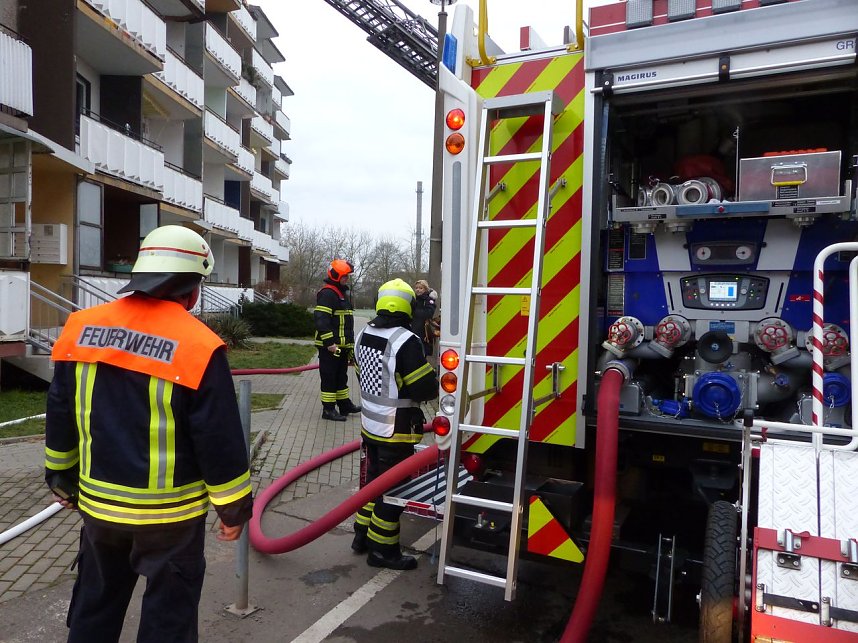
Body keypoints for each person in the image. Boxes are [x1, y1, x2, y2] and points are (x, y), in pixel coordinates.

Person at [44, 225, 253, 643]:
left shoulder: (80, 327)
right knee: (168, 621)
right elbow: (219, 438)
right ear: (193, 291)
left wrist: (60, 477)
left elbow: (61, 410)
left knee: (94, 607)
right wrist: (233, 509)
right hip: (170, 520)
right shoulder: (198, 345)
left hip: (99, 509)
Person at [351, 278, 439, 570]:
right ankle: (383, 552)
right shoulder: (405, 341)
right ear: (408, 306)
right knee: (394, 491)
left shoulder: (364, 333)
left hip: (370, 426)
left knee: (374, 482)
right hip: (396, 430)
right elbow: (423, 390)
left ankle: (361, 535)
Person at [314, 259, 361, 421]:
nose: (347, 279)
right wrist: (330, 344)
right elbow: (321, 320)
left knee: (341, 377)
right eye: (345, 276)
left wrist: (348, 346)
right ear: (336, 276)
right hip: (330, 347)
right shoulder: (328, 294)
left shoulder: (340, 293)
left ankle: (344, 404)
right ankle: (328, 410)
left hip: (341, 346)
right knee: (329, 378)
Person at [411, 279, 439, 359]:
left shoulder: (428, 300)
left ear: (425, 289)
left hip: (423, 332)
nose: (418, 290)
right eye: (416, 288)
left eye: (421, 288)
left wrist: (414, 311)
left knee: (421, 356)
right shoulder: (413, 299)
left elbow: (428, 313)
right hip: (413, 330)